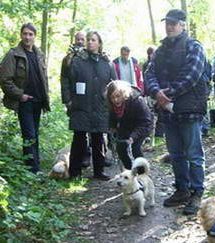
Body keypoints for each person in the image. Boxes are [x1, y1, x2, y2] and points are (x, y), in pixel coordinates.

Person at [145, 8, 209, 215]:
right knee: (175, 154)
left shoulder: (194, 46)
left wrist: (167, 94)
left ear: (183, 25)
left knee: (193, 154)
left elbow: (192, 74)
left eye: (174, 23)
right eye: (167, 23)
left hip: (189, 109)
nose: (169, 26)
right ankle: (181, 189)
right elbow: (149, 73)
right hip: (167, 111)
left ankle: (197, 192)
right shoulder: (160, 50)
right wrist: (156, 92)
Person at [61, 30, 117, 180]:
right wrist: (68, 100)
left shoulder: (107, 63)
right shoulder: (76, 60)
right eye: (88, 40)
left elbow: (114, 85)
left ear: (99, 43)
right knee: (79, 139)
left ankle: (99, 171)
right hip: (80, 105)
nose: (90, 42)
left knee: (99, 139)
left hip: (100, 106)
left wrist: (113, 105)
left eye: (93, 40)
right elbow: (65, 79)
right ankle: (75, 172)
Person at [0, 23, 50, 174]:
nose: (27, 37)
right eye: (25, 34)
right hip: (24, 102)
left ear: (35, 36)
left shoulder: (39, 54)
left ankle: (35, 166)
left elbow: (44, 79)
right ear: (21, 35)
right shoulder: (13, 54)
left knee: (35, 135)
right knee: (29, 135)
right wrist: (20, 95)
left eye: (30, 34)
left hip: (38, 101)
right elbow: (5, 80)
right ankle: (32, 171)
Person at [61, 31, 92, 168]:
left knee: (94, 131)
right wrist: (67, 100)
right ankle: (78, 161)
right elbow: (64, 80)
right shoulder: (68, 58)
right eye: (78, 39)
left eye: (82, 39)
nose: (80, 41)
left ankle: (92, 157)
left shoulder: (91, 55)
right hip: (75, 99)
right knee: (79, 132)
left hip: (91, 99)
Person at [107, 80, 153, 169]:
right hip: (125, 126)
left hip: (142, 125)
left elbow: (145, 122)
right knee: (121, 148)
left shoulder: (137, 101)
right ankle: (129, 171)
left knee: (135, 149)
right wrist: (112, 127)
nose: (115, 100)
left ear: (124, 94)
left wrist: (133, 137)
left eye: (118, 96)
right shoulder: (111, 105)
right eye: (112, 97)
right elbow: (111, 118)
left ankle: (142, 173)